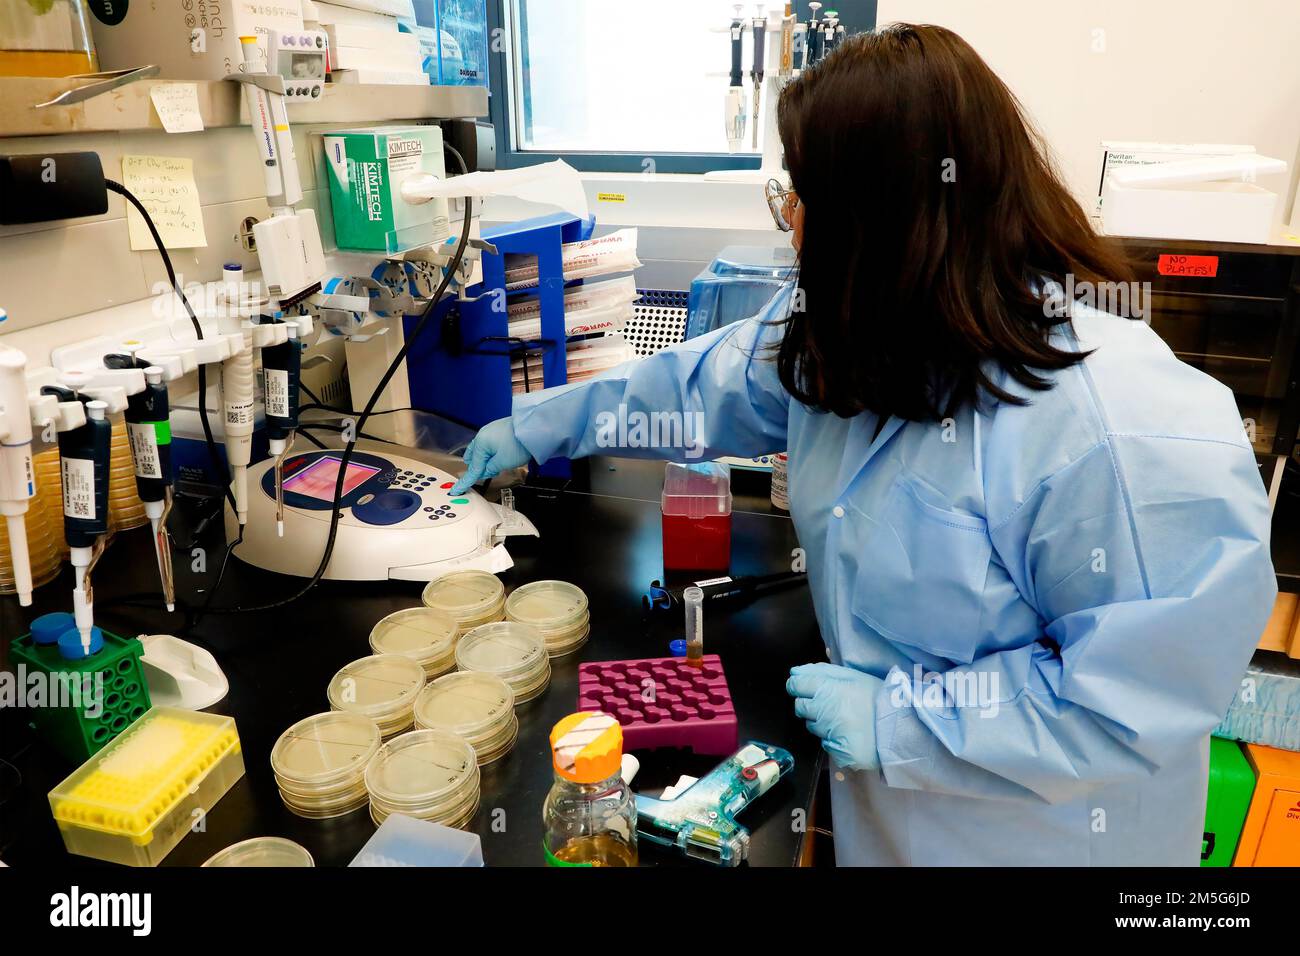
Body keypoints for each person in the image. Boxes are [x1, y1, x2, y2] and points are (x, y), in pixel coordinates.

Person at [450, 24, 1275, 865]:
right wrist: (543, 421)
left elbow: (1135, 698)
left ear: (884, 221)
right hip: (890, 814)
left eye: (802, 197)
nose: (792, 226)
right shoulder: (857, 324)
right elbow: (707, 384)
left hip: (1038, 837)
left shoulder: (1119, 431)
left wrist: (901, 722)